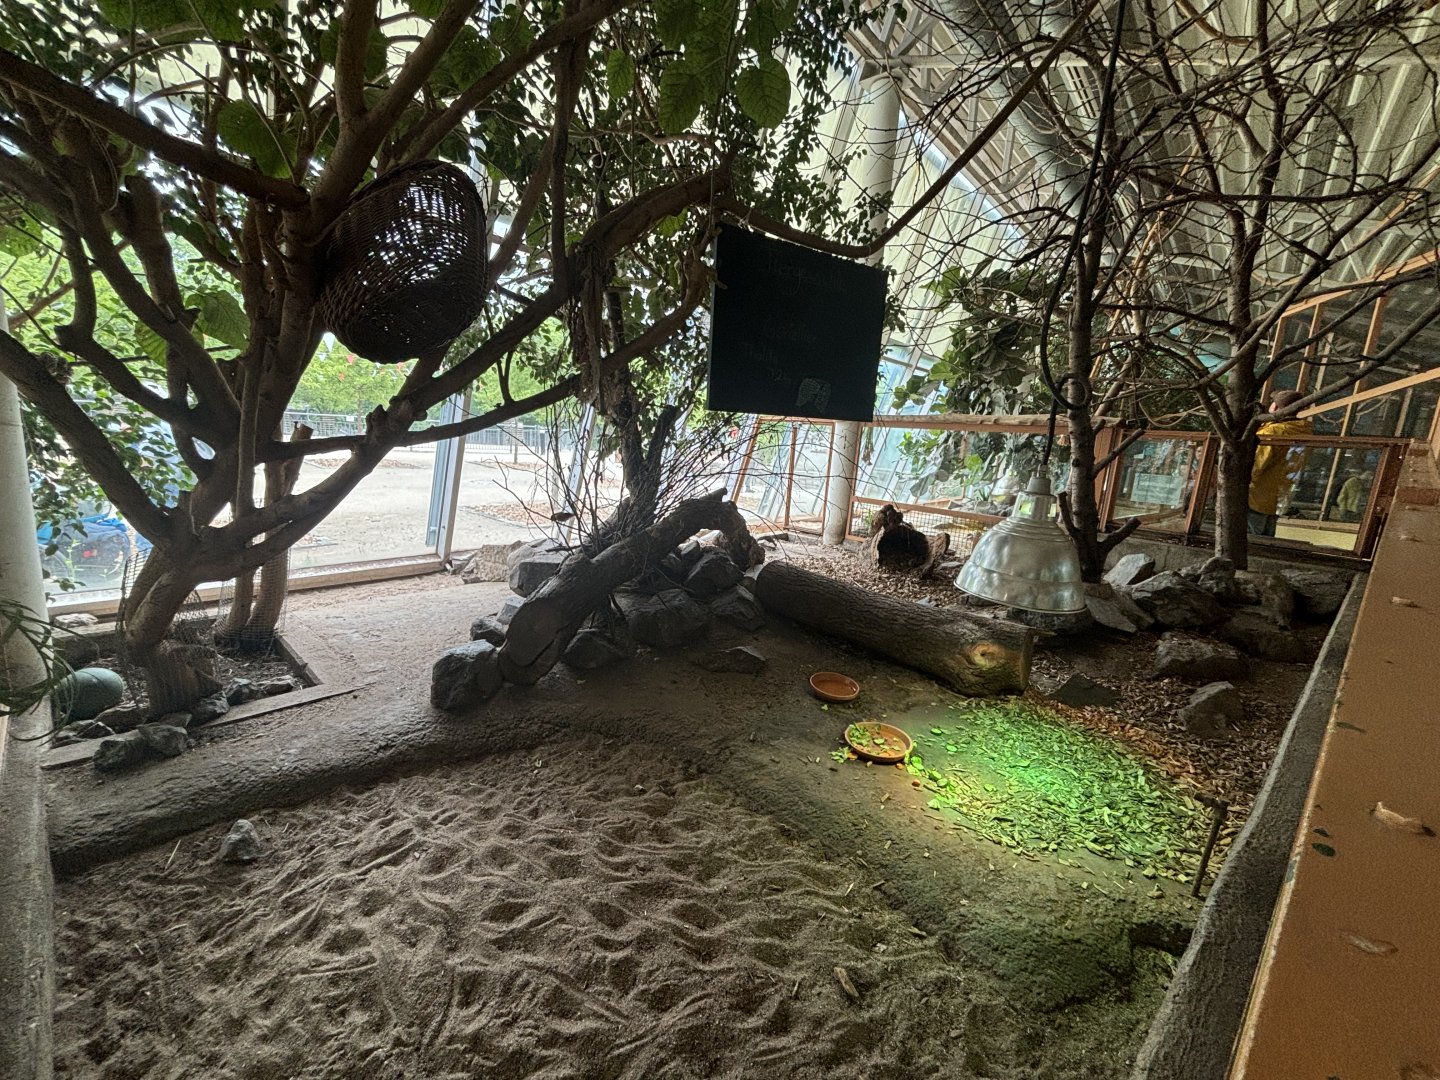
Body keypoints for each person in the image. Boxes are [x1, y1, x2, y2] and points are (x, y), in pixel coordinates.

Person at [1248, 390, 1313, 536]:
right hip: (1278, 497)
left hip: (1254, 497)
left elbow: (1255, 467)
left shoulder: (1272, 432)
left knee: (1250, 542)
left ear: (1276, 408)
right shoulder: (1304, 432)